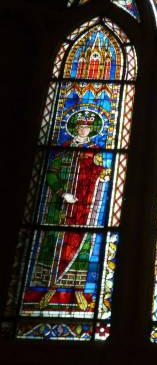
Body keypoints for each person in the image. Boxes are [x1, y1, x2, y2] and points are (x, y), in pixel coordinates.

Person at [27, 110, 111, 312]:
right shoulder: (63, 148)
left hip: (83, 208)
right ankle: (49, 288)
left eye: (87, 127)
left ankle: (78, 289)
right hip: (59, 207)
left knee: (81, 245)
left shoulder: (95, 151)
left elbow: (98, 173)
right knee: (54, 245)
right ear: (75, 128)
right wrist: (62, 192)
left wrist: (103, 175)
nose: (84, 130)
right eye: (81, 127)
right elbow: (51, 174)